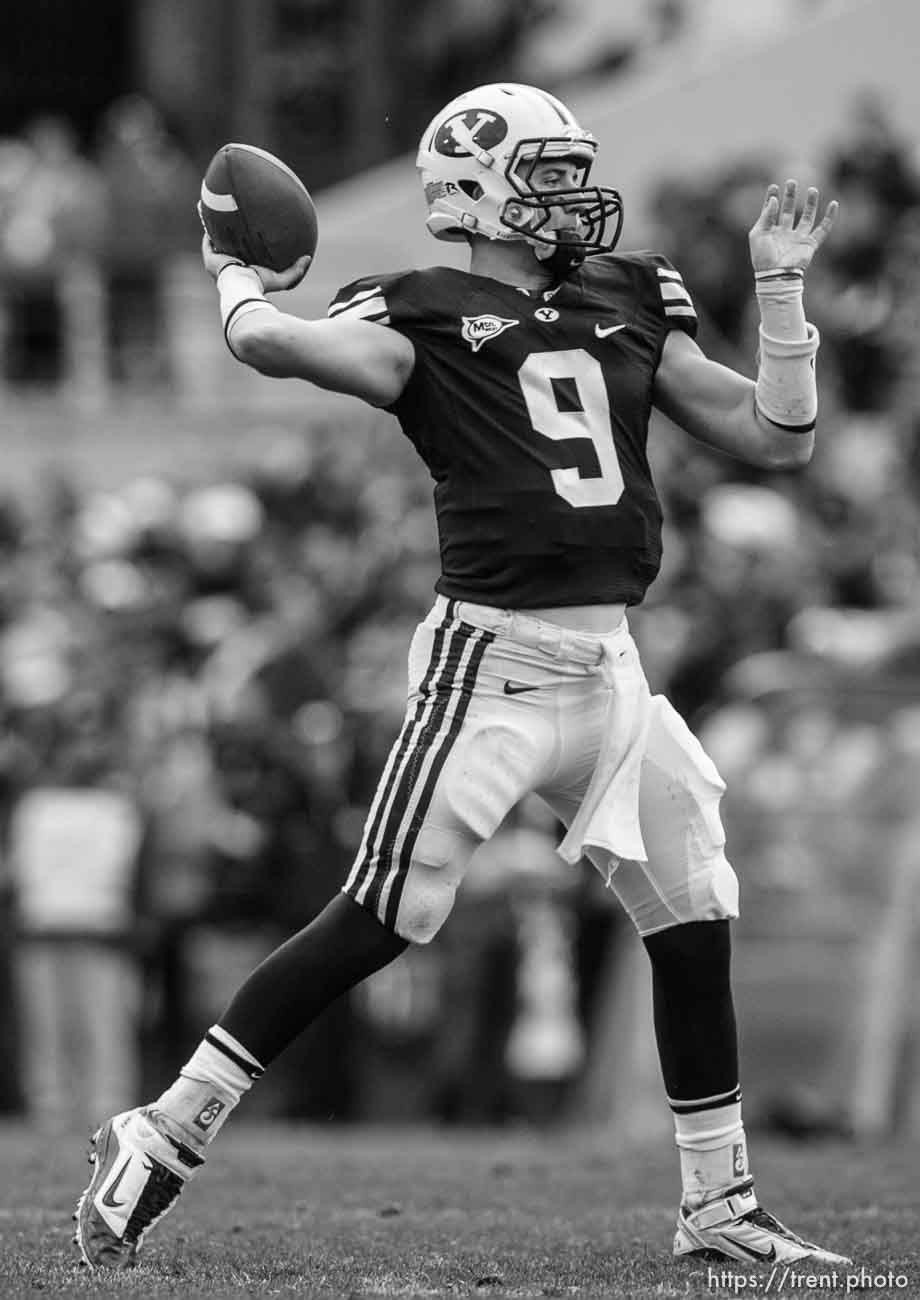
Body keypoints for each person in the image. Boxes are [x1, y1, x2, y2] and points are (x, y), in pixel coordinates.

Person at [74, 82, 846, 1269]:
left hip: (613, 670)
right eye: (543, 173)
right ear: (476, 192)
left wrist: (782, 293)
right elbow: (274, 343)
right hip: (492, 661)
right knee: (382, 914)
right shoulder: (424, 310)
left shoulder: (632, 290)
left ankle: (716, 1205)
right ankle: (167, 1126)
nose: (572, 195)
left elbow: (775, 437)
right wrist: (236, 273)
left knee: (695, 909)